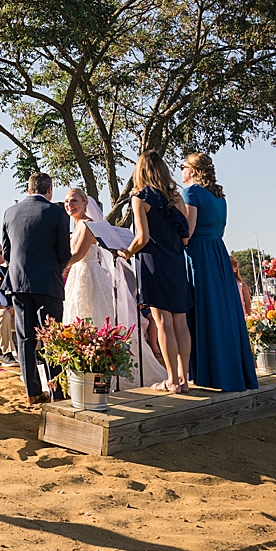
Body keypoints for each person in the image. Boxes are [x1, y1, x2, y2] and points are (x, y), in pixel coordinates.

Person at [179, 153, 257, 391]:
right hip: (218, 253)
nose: (180, 171)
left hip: (198, 254)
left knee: (202, 310)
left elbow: (187, 232)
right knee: (221, 311)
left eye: (183, 166)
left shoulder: (191, 193)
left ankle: (206, 372)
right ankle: (227, 369)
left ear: (192, 171)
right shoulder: (219, 197)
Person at [120, 154, 193, 393]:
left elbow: (141, 238)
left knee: (162, 322)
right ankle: (184, 378)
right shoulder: (176, 197)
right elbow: (185, 237)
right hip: (175, 262)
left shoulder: (140, 198)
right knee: (180, 322)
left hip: (153, 263)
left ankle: (171, 380)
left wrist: (126, 253)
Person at [3, 173, 72, 403]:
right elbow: (64, 251)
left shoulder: (10, 212)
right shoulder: (56, 212)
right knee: (52, 337)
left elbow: (6, 252)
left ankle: (32, 392)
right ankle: (57, 392)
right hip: (47, 282)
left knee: (25, 339)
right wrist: (56, 267)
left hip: (19, 282)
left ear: (29, 188)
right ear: (49, 189)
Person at [62, 189, 116, 328]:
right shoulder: (76, 226)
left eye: (74, 200)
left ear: (85, 203)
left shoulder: (88, 224)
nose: (69, 204)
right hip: (76, 272)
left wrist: (58, 267)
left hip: (87, 272)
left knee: (88, 312)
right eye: (66, 201)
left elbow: (79, 254)